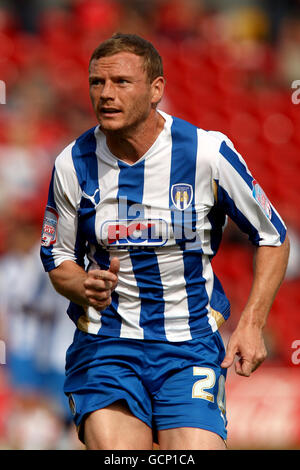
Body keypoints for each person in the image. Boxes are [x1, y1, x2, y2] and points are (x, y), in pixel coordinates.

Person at [40, 33, 290, 450]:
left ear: (157, 89)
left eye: (121, 82)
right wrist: (80, 283)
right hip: (107, 345)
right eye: (96, 83)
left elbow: (273, 236)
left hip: (189, 345)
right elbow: (58, 255)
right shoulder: (73, 162)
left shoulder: (206, 153)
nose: (105, 94)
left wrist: (252, 322)